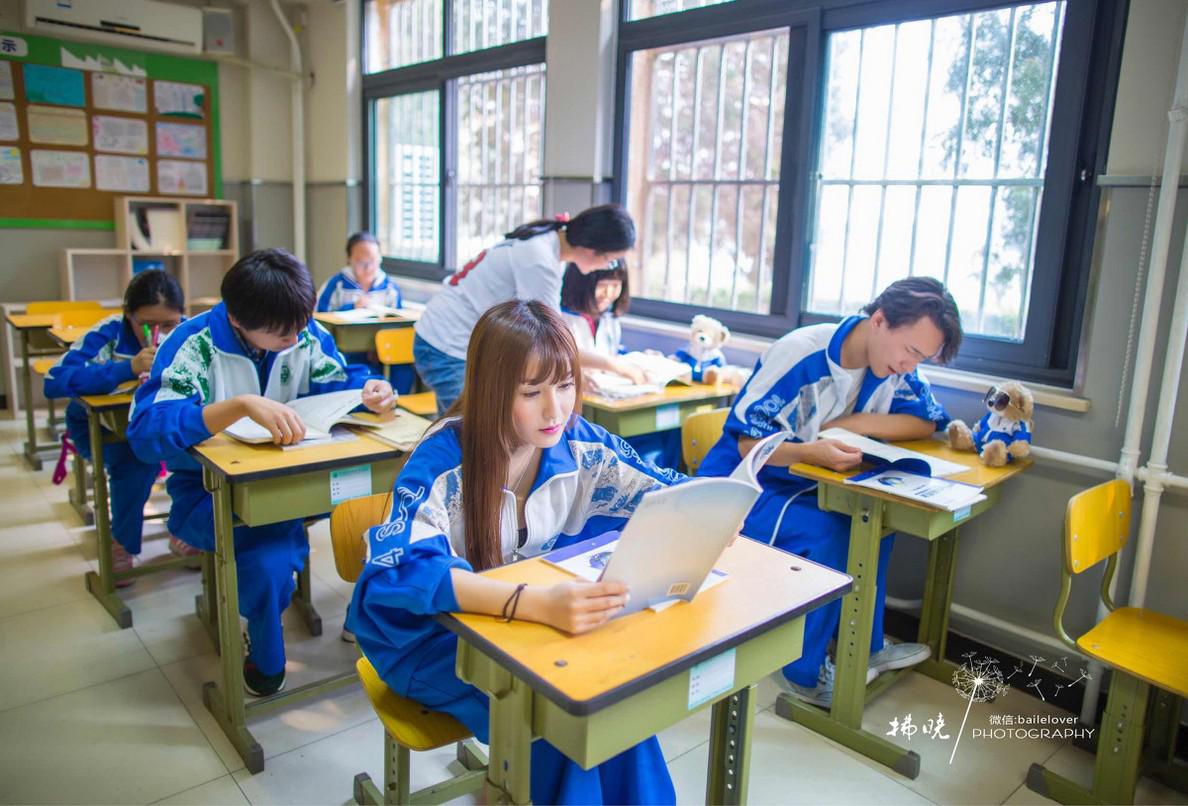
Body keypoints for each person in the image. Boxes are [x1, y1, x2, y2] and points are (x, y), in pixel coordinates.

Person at [349, 299, 681, 804]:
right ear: (491, 390)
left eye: (566, 385)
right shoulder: (444, 457)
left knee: (615, 705)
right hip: (430, 636)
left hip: (521, 631)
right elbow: (400, 571)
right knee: (555, 721)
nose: (556, 409)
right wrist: (536, 603)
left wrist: (717, 507)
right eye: (532, 392)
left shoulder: (577, 442)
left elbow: (668, 488)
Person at [127, 249, 398, 697]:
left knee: (384, 508)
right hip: (208, 493)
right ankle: (266, 636)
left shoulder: (301, 332)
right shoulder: (191, 345)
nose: (295, 339)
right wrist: (236, 407)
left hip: (292, 481)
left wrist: (370, 391)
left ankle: (355, 615)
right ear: (236, 317)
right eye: (280, 334)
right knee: (268, 559)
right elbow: (146, 433)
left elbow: (335, 380)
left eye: (300, 327)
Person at [697, 276, 963, 708]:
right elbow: (747, 443)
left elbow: (928, 421)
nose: (912, 365)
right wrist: (811, 451)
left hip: (805, 483)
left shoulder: (893, 368)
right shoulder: (803, 352)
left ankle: (865, 647)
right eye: (911, 351)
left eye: (923, 357)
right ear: (879, 321)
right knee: (836, 532)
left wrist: (857, 425)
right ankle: (801, 672)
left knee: (880, 522)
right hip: (744, 486)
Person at [412, 205, 649, 414]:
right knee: (470, 435)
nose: (609, 266)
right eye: (612, 259)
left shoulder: (547, 243)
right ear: (592, 249)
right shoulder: (540, 261)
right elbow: (550, 339)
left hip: (455, 341)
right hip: (447, 345)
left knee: (480, 434)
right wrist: (616, 366)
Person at [44, 270, 191, 581]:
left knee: (200, 457)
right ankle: (121, 543)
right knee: (135, 464)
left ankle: (186, 527)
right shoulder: (108, 333)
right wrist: (127, 368)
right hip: (103, 430)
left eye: (169, 324)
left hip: (158, 426)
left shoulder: (189, 332)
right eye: (148, 324)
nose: (160, 333)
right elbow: (55, 381)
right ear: (129, 315)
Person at [559, 262, 681, 470]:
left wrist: (640, 359)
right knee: (641, 446)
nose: (609, 293)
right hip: (589, 405)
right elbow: (567, 353)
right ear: (582, 283)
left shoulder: (608, 319)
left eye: (616, 286)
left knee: (669, 435)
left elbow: (611, 351)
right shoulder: (563, 317)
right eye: (602, 285)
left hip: (614, 395)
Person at [316, 231, 402, 313]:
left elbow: (398, 319)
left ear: (380, 259)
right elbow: (320, 314)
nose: (367, 267)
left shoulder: (390, 288)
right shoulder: (336, 284)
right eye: (361, 262)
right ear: (349, 259)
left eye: (372, 261)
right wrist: (352, 307)